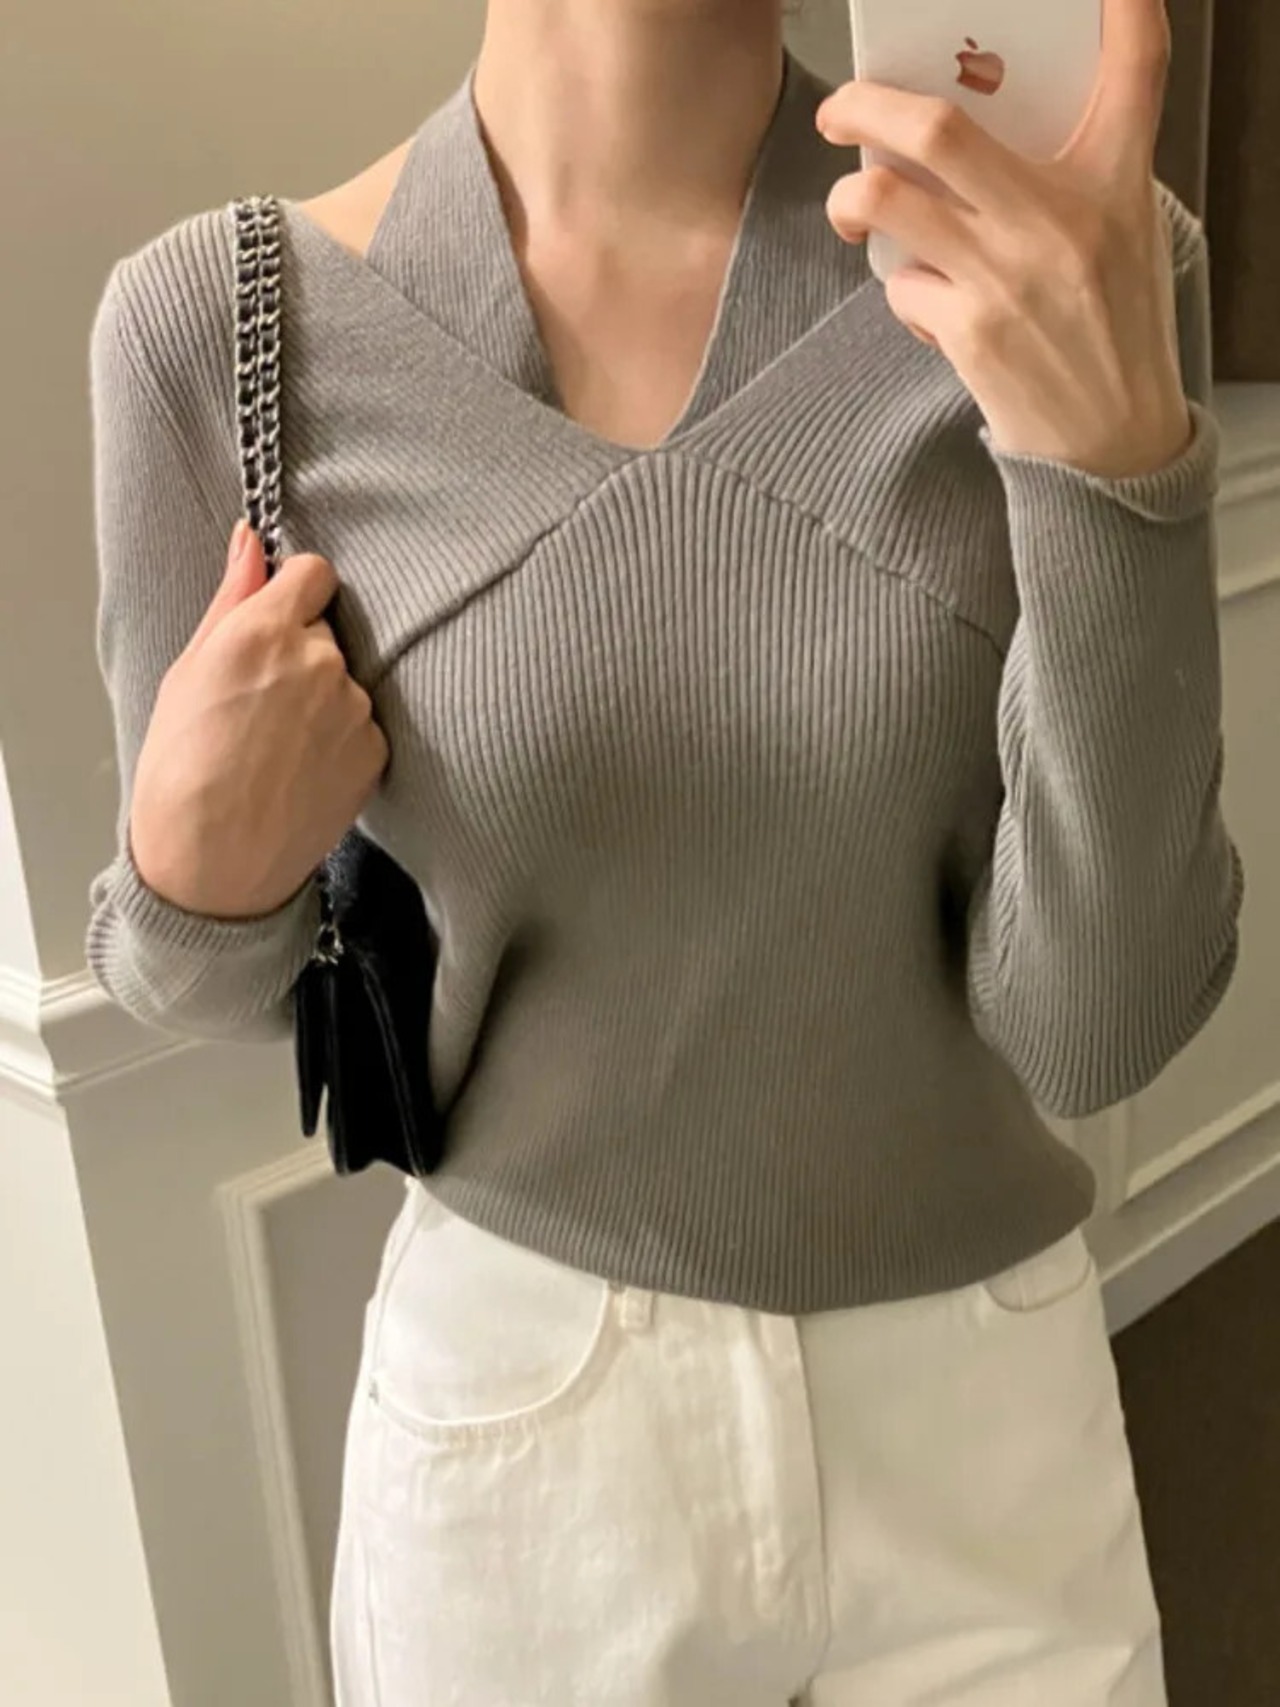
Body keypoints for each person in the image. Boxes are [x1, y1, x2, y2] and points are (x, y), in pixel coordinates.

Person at [85, 1, 1244, 1702]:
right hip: (530, 1447)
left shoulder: (1060, 263)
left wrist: (1113, 474)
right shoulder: (224, 326)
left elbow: (1097, 1023)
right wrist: (194, 862)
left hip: (986, 1433)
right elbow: (196, 976)